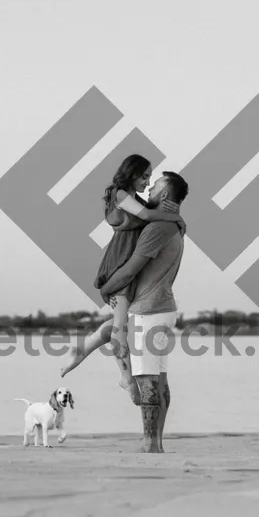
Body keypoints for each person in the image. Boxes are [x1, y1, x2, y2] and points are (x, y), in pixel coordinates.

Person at [59, 155, 184, 401]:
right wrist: (177, 219)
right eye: (145, 176)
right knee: (120, 327)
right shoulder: (120, 195)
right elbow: (148, 218)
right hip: (119, 263)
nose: (148, 183)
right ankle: (126, 377)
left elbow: (151, 214)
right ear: (131, 173)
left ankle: (82, 348)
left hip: (128, 262)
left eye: (151, 178)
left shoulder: (135, 199)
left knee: (122, 324)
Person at [97, 171, 188, 454]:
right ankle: (156, 441)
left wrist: (105, 288)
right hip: (163, 308)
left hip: (148, 311)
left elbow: (131, 267)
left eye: (156, 183)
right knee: (159, 378)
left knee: (147, 378)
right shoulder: (172, 227)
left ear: (164, 194)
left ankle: (150, 444)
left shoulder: (157, 229)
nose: (149, 186)